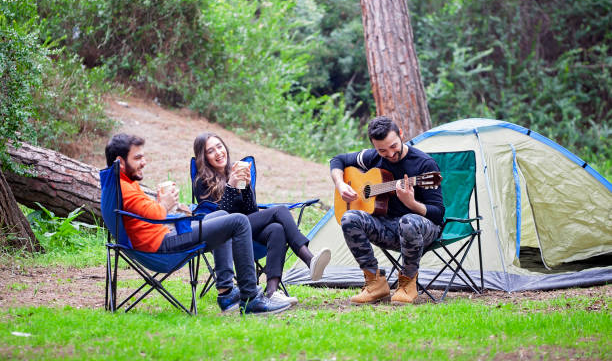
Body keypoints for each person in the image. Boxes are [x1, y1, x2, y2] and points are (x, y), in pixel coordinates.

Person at [104, 133, 290, 315]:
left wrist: (163, 206)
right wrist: (164, 205)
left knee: (222, 215)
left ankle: (226, 292)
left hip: (160, 237)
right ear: (121, 162)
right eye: (137, 158)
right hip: (162, 247)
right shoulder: (126, 189)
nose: (143, 162)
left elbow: (143, 213)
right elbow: (157, 214)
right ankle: (251, 299)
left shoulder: (121, 183)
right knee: (238, 221)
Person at [192, 132, 331, 306]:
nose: (218, 153)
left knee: (276, 229)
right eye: (210, 151)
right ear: (204, 157)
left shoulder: (235, 171)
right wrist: (230, 186)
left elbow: (250, 210)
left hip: (247, 230)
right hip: (225, 236)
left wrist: (247, 187)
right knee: (278, 211)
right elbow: (220, 219)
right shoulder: (202, 181)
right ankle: (309, 259)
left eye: (219, 147)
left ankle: (272, 292)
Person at [330, 116, 445, 305]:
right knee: (349, 217)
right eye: (382, 150)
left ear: (401, 134)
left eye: (393, 146)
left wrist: (412, 203)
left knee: (408, 220)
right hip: (388, 228)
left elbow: (438, 213)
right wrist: (341, 184)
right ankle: (375, 283)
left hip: (422, 230)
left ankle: (407, 283)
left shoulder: (424, 165)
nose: (390, 154)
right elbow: (338, 160)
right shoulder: (373, 158)